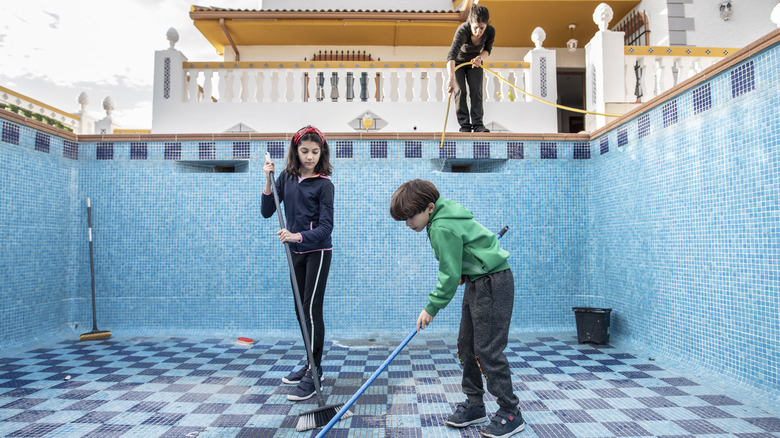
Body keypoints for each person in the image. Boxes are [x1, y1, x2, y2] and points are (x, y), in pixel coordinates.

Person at [390, 179, 525, 438]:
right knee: (467, 345)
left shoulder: (441, 226)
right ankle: (475, 404)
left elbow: (448, 276)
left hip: (492, 284)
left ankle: (511, 411)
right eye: (403, 219)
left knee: (487, 350)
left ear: (429, 207)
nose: (407, 224)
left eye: (410, 217)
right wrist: (467, 267)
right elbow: (465, 252)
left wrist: (431, 307)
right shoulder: (443, 213)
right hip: (478, 280)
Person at [262, 125, 334, 402]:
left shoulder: (324, 184)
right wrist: (268, 181)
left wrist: (297, 235)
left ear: (321, 153)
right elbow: (268, 211)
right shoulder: (286, 177)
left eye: (315, 152)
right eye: (304, 151)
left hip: (317, 251)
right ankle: (310, 365)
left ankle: (314, 371)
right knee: (299, 312)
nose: (310, 156)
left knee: (311, 310)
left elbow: (326, 228)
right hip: (296, 252)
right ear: (296, 151)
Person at [447, 4, 495, 133]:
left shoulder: (490, 31)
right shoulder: (463, 30)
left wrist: (480, 58)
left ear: (486, 25)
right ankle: (465, 126)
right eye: (475, 28)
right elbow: (451, 56)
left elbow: (487, 50)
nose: (478, 32)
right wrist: (451, 78)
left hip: (476, 62)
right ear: (470, 23)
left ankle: (478, 125)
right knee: (460, 91)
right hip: (458, 63)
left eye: (481, 28)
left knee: (476, 91)